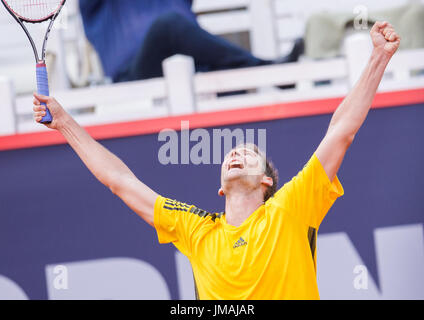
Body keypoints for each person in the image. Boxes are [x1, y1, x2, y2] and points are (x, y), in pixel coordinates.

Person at [32, 21, 400, 299]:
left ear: (267, 182)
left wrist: (378, 58)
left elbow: (341, 131)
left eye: (250, 153)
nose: (237, 152)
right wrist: (63, 122)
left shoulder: (291, 209)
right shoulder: (197, 231)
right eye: (231, 153)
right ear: (220, 189)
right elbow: (119, 181)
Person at [78, 0, 304, 83]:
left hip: (196, 65)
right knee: (167, 26)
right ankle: (265, 70)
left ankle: (269, 73)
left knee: (221, 70)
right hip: (136, 77)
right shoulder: (101, 8)